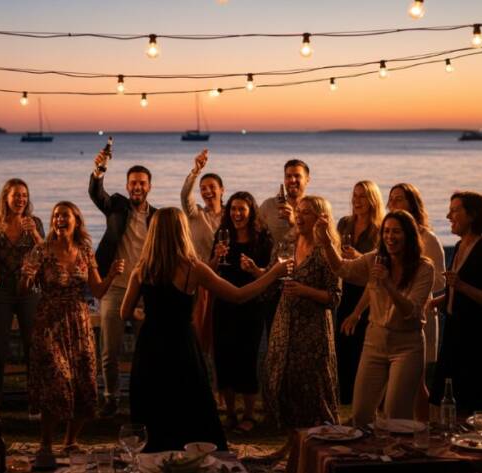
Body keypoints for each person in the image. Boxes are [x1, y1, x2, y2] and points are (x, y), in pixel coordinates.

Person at [121, 207, 287, 452]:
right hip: (181, 346)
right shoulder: (193, 269)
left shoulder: (142, 270)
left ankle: (154, 459)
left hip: (151, 346)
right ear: (182, 232)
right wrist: (273, 274)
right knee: (188, 404)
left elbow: (124, 312)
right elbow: (239, 295)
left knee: (154, 404)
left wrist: (144, 314)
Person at [21, 201, 123, 454]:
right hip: (49, 324)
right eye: (55, 216)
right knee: (57, 381)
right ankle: (45, 442)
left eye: (65, 216)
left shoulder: (86, 250)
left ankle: (70, 441)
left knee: (83, 383)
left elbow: (98, 290)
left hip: (79, 322)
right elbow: (22, 289)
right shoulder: (40, 251)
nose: (59, 220)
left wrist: (111, 275)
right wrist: (26, 276)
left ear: (76, 221)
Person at [317, 210, 434, 425]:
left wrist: (388, 283)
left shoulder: (424, 268)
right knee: (361, 414)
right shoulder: (374, 259)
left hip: (407, 345)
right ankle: (367, 457)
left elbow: (412, 310)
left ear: (408, 235)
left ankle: (395, 456)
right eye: (386, 231)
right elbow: (343, 269)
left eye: (396, 232)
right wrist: (326, 243)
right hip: (374, 342)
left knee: (395, 415)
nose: (390, 237)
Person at [263, 196, 342, 428]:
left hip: (312, 328)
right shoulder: (289, 244)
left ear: (321, 218)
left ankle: (316, 431)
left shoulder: (326, 251)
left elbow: (334, 297)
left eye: (306, 212)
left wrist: (304, 290)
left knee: (312, 381)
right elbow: (272, 275)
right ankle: (288, 430)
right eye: (298, 211)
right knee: (280, 373)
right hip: (284, 321)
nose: (299, 216)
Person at [89, 148, 157, 417]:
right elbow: (97, 194)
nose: (137, 187)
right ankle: (111, 396)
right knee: (110, 350)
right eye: (133, 183)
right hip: (115, 287)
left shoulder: (157, 216)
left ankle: (145, 396)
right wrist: (99, 170)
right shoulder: (116, 205)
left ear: (149, 186)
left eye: (142, 182)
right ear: (127, 186)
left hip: (145, 290)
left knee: (147, 349)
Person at [430, 192, 482, 413]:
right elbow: (456, 292)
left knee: (471, 398)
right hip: (454, 330)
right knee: (444, 393)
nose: (448, 215)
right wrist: (437, 302)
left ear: (472, 215)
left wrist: (461, 286)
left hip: (477, 336)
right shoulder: (459, 246)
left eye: (455, 210)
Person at [210, 191, 271, 432]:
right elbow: (212, 271)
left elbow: (270, 273)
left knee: (247, 359)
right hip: (224, 304)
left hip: (251, 305)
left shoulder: (263, 238)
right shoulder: (222, 236)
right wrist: (216, 257)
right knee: (223, 358)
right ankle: (230, 413)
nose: (236, 214)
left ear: (250, 212)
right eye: (233, 209)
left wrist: (255, 268)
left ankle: (249, 414)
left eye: (241, 210)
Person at [386, 183, 446, 420]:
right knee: (396, 377)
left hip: (419, 313)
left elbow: (440, 281)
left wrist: (413, 286)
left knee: (417, 379)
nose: (394, 203)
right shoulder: (390, 235)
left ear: (412, 203)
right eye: (391, 199)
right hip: (394, 313)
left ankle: (423, 425)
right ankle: (399, 423)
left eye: (399, 199)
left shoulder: (426, 238)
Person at [0, 178, 44, 420]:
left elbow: (46, 252)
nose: (20, 199)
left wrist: (34, 234)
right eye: (16, 195)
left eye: (24, 195)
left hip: (28, 290)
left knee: (33, 348)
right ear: (6, 198)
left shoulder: (35, 223)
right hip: (0, 292)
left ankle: (35, 403)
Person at [335, 181, 384, 405]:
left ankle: (363, 397)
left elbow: (378, 268)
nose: (357, 201)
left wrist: (357, 258)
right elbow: (334, 252)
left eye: (362, 196)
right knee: (342, 344)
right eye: (354, 196)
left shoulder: (380, 230)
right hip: (344, 289)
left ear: (372, 200)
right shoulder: (345, 223)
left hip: (366, 292)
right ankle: (344, 397)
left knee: (361, 345)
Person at [258, 159, 311, 335]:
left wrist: (292, 223)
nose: (292, 180)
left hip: (304, 283)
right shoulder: (268, 206)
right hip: (274, 282)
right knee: (274, 335)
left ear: (307, 179)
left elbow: (321, 242)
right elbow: (256, 236)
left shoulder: (315, 207)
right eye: (288, 176)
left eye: (297, 176)